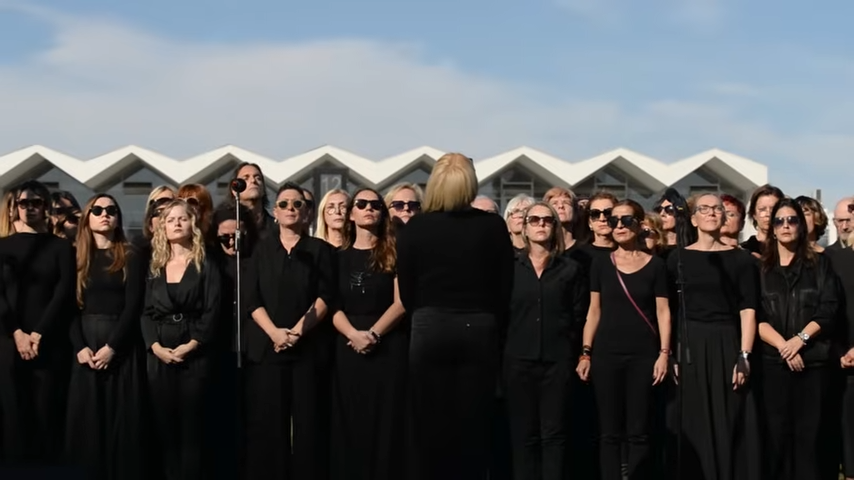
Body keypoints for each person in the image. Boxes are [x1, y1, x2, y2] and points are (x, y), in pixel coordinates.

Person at [397, 152, 515, 480]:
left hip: (429, 325)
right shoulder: (492, 226)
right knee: (474, 422)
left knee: (429, 421)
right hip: (478, 327)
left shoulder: (416, 227)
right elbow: (504, 286)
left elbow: (406, 290)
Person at [243, 182, 337, 480]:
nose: (290, 209)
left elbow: (326, 296)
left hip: (307, 349)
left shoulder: (320, 251)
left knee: (309, 426)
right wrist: (275, 333)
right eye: (284, 204)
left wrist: (297, 331)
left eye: (298, 204)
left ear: (308, 213)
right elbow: (251, 299)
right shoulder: (260, 249)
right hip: (268, 349)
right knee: (270, 426)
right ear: (275, 212)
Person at [577, 199, 671, 480]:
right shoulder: (600, 264)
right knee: (608, 432)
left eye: (626, 220)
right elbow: (594, 311)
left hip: (643, 355)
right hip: (606, 354)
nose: (618, 225)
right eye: (613, 219)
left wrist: (664, 353)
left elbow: (663, 312)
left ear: (640, 224)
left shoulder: (656, 266)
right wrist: (586, 353)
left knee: (639, 431)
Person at [670, 193, 761, 480]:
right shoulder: (677, 258)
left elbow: (748, 310)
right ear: (693, 218)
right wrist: (670, 353)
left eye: (717, 208)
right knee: (693, 421)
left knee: (728, 418)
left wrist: (744, 355)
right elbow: (669, 311)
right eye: (704, 208)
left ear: (724, 216)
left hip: (726, 343)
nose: (711, 213)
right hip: (689, 345)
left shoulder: (741, 260)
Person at [756, 198, 839, 479]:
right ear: (772, 228)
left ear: (801, 226)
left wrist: (800, 340)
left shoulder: (820, 264)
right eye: (779, 220)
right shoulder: (760, 268)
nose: (786, 225)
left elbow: (829, 309)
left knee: (810, 442)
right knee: (775, 439)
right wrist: (784, 346)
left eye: (792, 220)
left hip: (813, 364)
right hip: (772, 364)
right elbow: (753, 315)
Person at [65, 194, 146, 480]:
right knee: (87, 420)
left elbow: (133, 305)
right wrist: (80, 347)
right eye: (97, 210)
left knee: (121, 420)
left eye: (111, 210)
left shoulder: (130, 255)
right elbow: (68, 307)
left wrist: (113, 347)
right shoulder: (73, 256)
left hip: (120, 346)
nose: (104, 214)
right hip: (85, 345)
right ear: (87, 216)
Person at [505, 201, 586, 480]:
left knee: (554, 434)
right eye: (534, 220)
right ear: (524, 229)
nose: (541, 225)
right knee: (523, 434)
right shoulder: (509, 267)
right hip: (517, 360)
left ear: (555, 228)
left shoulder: (571, 269)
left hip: (557, 361)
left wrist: (574, 352)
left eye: (547, 220)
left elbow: (578, 314)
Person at [141, 199, 221, 480]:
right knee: (164, 428)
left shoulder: (205, 262)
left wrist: (192, 344)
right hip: (159, 355)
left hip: (195, 354)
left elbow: (213, 309)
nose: (176, 223)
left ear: (193, 224)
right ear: (162, 226)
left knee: (193, 429)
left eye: (182, 218)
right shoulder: (155, 264)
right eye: (170, 219)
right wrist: (155, 347)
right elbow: (146, 312)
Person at [330, 188, 407, 480]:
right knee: (350, 422)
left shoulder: (393, 254)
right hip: (347, 347)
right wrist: (353, 334)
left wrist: (373, 334)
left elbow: (401, 303)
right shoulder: (337, 258)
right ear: (351, 213)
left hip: (387, 345)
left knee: (386, 424)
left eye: (375, 205)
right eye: (361, 204)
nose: (368, 209)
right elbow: (332, 305)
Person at [0, 180, 76, 465]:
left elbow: (64, 292)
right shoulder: (2, 247)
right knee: (13, 416)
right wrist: (18, 333)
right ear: (14, 208)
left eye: (37, 203)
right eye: (24, 203)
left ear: (45, 208)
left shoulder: (60, 247)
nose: (30, 208)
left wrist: (38, 333)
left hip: (50, 342)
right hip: (8, 343)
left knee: (47, 415)